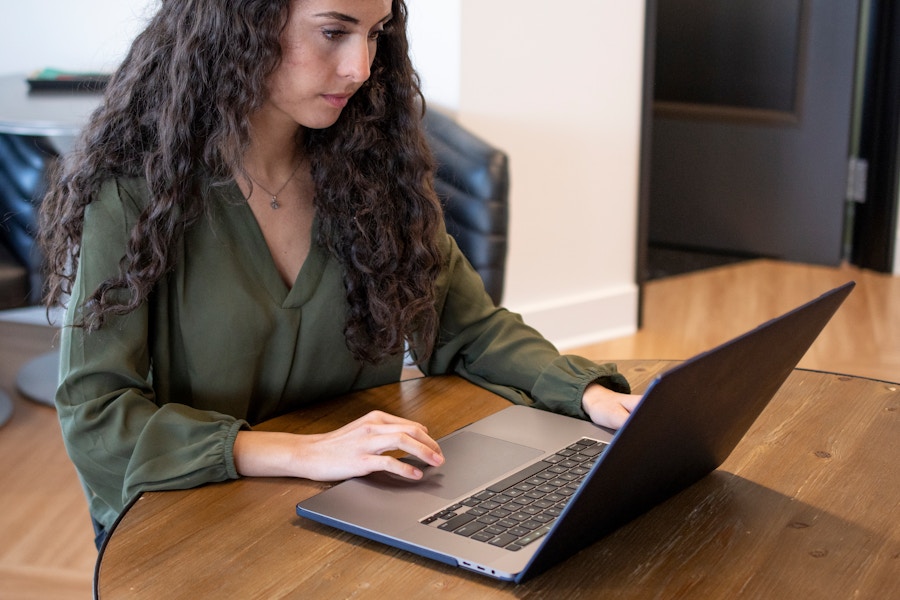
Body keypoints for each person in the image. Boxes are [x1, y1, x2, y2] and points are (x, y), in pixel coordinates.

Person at [39, 0, 640, 550]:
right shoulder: (137, 194)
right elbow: (97, 416)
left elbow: (471, 330)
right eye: (333, 32)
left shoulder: (373, 173)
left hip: (354, 510)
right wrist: (306, 452)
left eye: (375, 34)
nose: (359, 67)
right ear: (241, 26)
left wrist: (584, 394)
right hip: (195, 520)